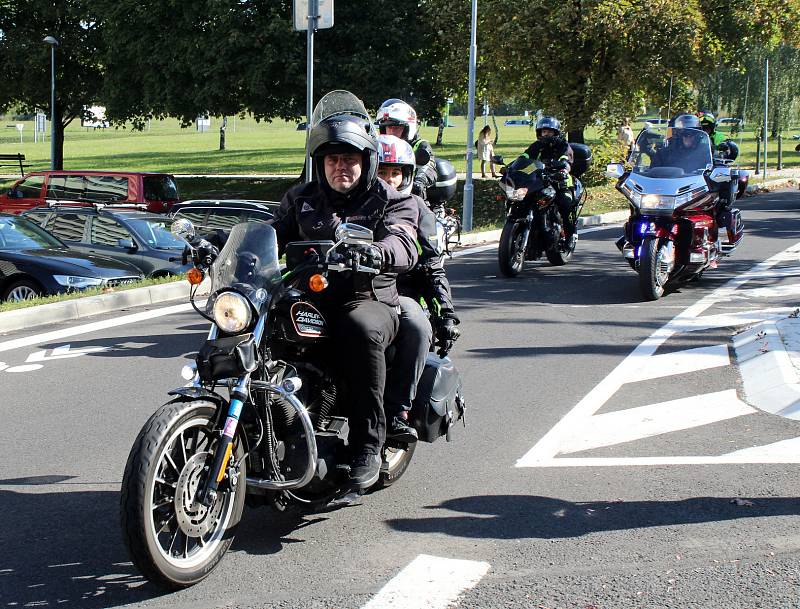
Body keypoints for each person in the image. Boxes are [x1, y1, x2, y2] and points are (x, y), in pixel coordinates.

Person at [270, 97, 419, 489]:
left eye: (349, 158)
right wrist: (220, 241)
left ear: (366, 160)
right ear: (320, 163)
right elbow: (271, 234)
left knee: (360, 329)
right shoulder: (301, 199)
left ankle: (367, 444)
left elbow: (405, 242)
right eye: (332, 158)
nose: (340, 166)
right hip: (309, 298)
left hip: (368, 298)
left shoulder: (393, 199)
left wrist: (378, 250)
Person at [376, 134, 461, 443]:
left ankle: (397, 412)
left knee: (416, 327)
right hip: (350, 291)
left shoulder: (419, 211)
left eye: (394, 173)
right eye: (381, 172)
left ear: (407, 176)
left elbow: (433, 268)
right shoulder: (354, 203)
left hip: (399, 294)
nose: (387, 180)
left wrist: (445, 313)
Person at [507, 115, 577, 235]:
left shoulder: (563, 145)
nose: (545, 134)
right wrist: (511, 167)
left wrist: (563, 168)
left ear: (555, 132)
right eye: (543, 131)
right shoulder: (537, 145)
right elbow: (525, 157)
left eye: (549, 131)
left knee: (565, 203)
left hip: (560, 181)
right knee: (522, 199)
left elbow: (566, 160)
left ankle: (570, 235)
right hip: (539, 180)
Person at [376, 99, 438, 201]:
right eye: (387, 127)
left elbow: (429, 168)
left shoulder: (420, 145)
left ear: (408, 128)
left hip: (410, 193)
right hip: (380, 192)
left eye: (396, 127)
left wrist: (420, 181)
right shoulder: (379, 146)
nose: (391, 131)